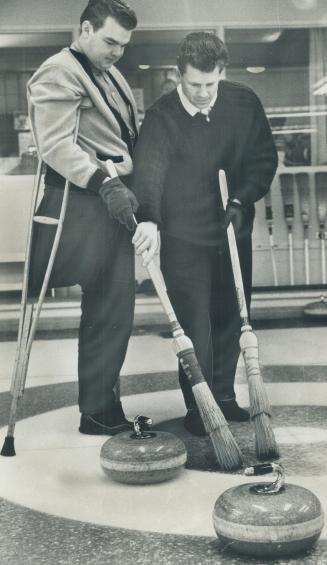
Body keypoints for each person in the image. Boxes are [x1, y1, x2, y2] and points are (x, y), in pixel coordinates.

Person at [132, 32, 278, 436]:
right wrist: (149, 218)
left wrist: (242, 199)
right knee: (195, 324)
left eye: (210, 84)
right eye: (194, 84)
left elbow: (264, 159)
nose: (201, 93)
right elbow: (150, 173)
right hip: (184, 238)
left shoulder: (243, 102)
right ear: (179, 75)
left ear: (222, 73)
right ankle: (200, 405)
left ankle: (224, 397)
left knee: (231, 315)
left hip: (232, 228)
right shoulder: (162, 115)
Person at [27, 0, 139, 435]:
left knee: (114, 308)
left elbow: (122, 133)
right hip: (80, 201)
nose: (117, 52)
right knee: (108, 304)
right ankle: (97, 407)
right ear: (86, 29)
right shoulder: (59, 70)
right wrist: (104, 183)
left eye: (124, 45)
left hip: (109, 201)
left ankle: (100, 407)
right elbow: (55, 144)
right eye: (111, 41)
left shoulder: (108, 72)